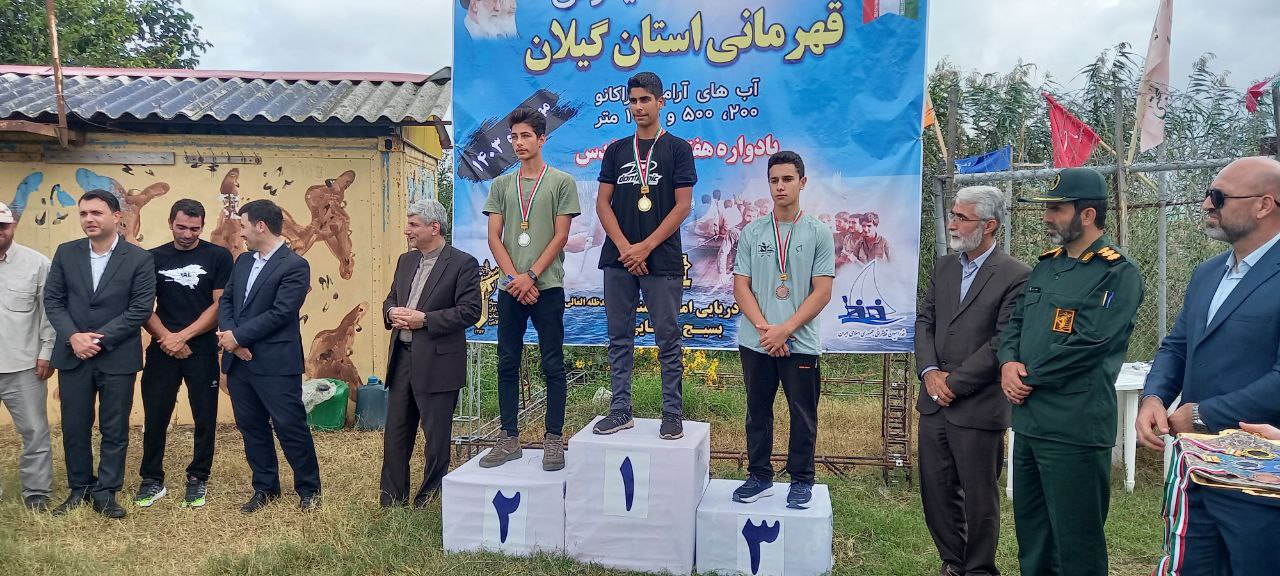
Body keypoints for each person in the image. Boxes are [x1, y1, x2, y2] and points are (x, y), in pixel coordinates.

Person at [1136, 157, 1280, 575]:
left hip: (1260, 477)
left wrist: (1202, 414)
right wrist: (1154, 396)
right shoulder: (1208, 272)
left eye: (1218, 196)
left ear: (1264, 205)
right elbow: (1178, 346)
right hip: (1198, 470)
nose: (1206, 205)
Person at [997, 168, 1143, 576]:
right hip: (1030, 423)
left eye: (1057, 209)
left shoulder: (1117, 272)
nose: (1047, 217)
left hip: (1074, 426)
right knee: (1034, 537)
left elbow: (1092, 342)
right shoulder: (1048, 265)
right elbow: (1016, 323)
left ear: (1088, 214)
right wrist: (1007, 363)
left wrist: (1027, 377)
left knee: (1076, 543)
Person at [915, 186, 1030, 576]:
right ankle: (953, 562)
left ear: (989, 225)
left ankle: (979, 569)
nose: (952, 224)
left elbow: (1004, 340)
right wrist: (930, 373)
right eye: (952, 215)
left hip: (978, 405)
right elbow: (925, 321)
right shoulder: (945, 266)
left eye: (961, 217)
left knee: (979, 499)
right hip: (934, 401)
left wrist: (954, 383)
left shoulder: (1016, 275)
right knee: (936, 491)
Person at [593, 71, 697, 439]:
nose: (638, 107)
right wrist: (626, 248)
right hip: (619, 259)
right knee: (619, 337)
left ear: (660, 102)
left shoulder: (678, 149)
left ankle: (672, 414)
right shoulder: (617, 150)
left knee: (667, 339)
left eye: (645, 100)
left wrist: (646, 247)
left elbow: (683, 206)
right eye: (633, 101)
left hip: (661, 259)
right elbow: (602, 203)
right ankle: (621, 410)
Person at [730, 151, 834, 509]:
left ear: (802, 183)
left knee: (802, 414)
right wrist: (766, 330)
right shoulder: (752, 231)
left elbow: (822, 291)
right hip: (756, 341)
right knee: (757, 411)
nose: (780, 186)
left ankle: (801, 480)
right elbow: (741, 287)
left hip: (800, 342)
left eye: (787, 179)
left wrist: (785, 329)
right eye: (774, 180)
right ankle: (759, 475)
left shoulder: (818, 232)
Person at [45, 189, 157, 518]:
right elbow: (53, 300)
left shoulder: (139, 258)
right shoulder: (66, 253)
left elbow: (140, 309)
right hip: (73, 354)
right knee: (74, 426)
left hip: (117, 356)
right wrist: (73, 337)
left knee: (114, 428)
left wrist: (97, 339)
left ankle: (106, 491)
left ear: (116, 216)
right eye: (83, 213)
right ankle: (79, 487)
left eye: (96, 213)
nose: (89, 219)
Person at [479, 107, 580, 471]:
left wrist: (532, 276)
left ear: (542, 139)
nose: (519, 143)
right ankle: (509, 438)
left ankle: (553, 439)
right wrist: (514, 279)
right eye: (514, 137)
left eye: (525, 136)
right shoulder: (501, 185)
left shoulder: (561, 182)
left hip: (546, 287)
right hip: (511, 289)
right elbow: (494, 236)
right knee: (507, 361)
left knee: (552, 362)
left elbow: (561, 235)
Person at [216, 199, 320, 513]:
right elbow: (227, 301)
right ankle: (265, 488)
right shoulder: (243, 261)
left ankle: (309, 489)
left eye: (244, 225)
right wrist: (231, 339)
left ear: (261, 226)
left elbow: (281, 313)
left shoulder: (295, 265)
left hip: (275, 363)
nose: (241, 232)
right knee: (251, 427)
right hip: (239, 362)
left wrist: (238, 337)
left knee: (290, 426)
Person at [379, 199, 481, 506]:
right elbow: (391, 298)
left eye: (413, 224)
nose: (406, 230)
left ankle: (430, 497)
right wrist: (391, 312)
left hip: (438, 362)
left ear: (434, 227)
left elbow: (470, 311)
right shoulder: (405, 261)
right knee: (396, 433)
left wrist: (425, 320)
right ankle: (392, 499)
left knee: (436, 437)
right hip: (402, 357)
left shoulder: (462, 263)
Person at [133, 199, 232, 509]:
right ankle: (152, 478)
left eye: (195, 228)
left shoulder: (218, 256)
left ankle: (198, 476)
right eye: (181, 227)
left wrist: (183, 337)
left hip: (202, 349)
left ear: (202, 226)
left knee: (204, 416)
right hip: (162, 348)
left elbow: (220, 305)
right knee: (156, 415)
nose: (188, 234)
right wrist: (168, 338)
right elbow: (142, 306)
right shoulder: (151, 258)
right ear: (170, 223)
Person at [0, 201, 56, 511]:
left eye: (2, 225)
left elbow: (50, 313)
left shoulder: (37, 264)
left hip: (23, 366)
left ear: (13, 226)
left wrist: (47, 352)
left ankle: (36, 492)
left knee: (34, 431)